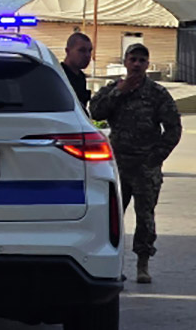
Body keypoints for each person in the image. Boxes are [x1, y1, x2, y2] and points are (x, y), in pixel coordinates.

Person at [89, 43, 183, 284]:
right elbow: (96, 113)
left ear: (148, 64)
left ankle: (143, 263)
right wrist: (120, 91)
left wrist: (156, 157)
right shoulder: (113, 89)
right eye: (133, 60)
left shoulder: (157, 94)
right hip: (117, 166)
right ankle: (113, 263)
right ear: (125, 62)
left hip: (145, 168)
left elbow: (173, 128)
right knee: (112, 218)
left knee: (145, 218)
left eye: (142, 60)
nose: (137, 64)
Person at [61, 32, 93, 113]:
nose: (87, 55)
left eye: (89, 51)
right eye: (82, 50)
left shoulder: (80, 77)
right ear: (68, 51)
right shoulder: (59, 75)